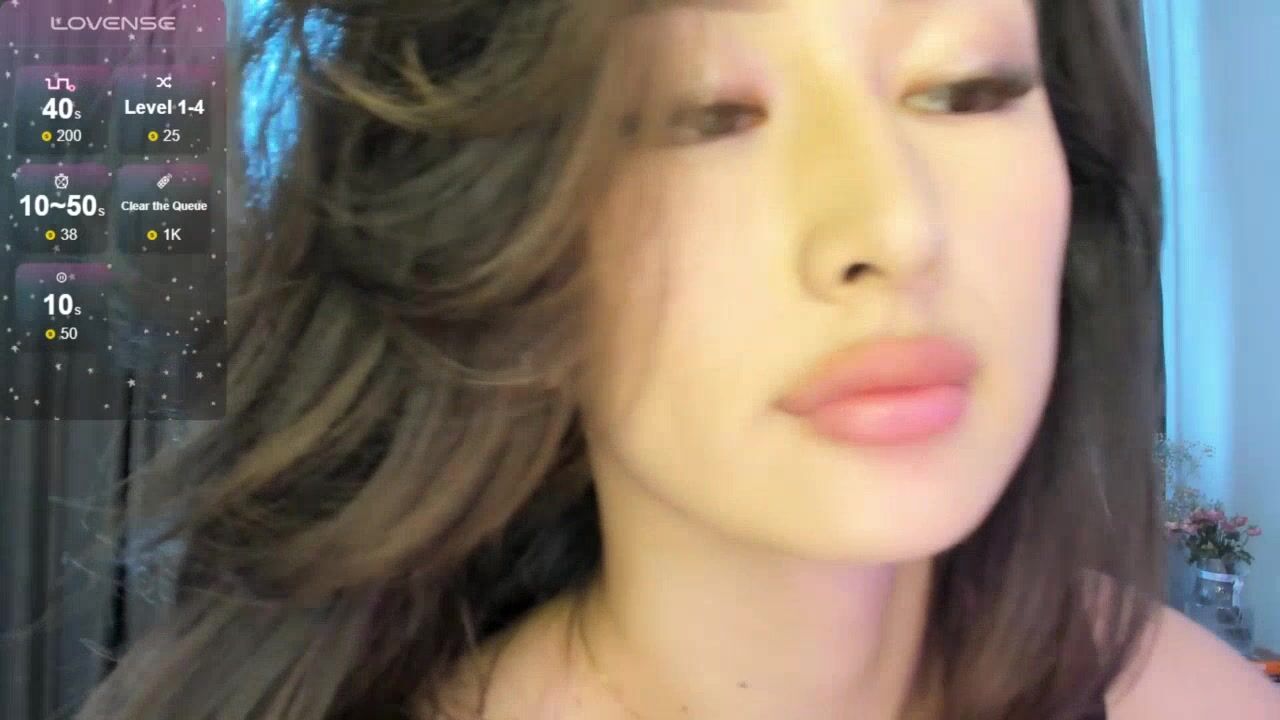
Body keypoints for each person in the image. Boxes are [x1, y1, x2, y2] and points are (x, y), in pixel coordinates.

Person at [75, 0, 1280, 719]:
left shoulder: (1187, 699)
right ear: (498, 226)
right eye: (705, 113)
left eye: (966, 87)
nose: (895, 225)